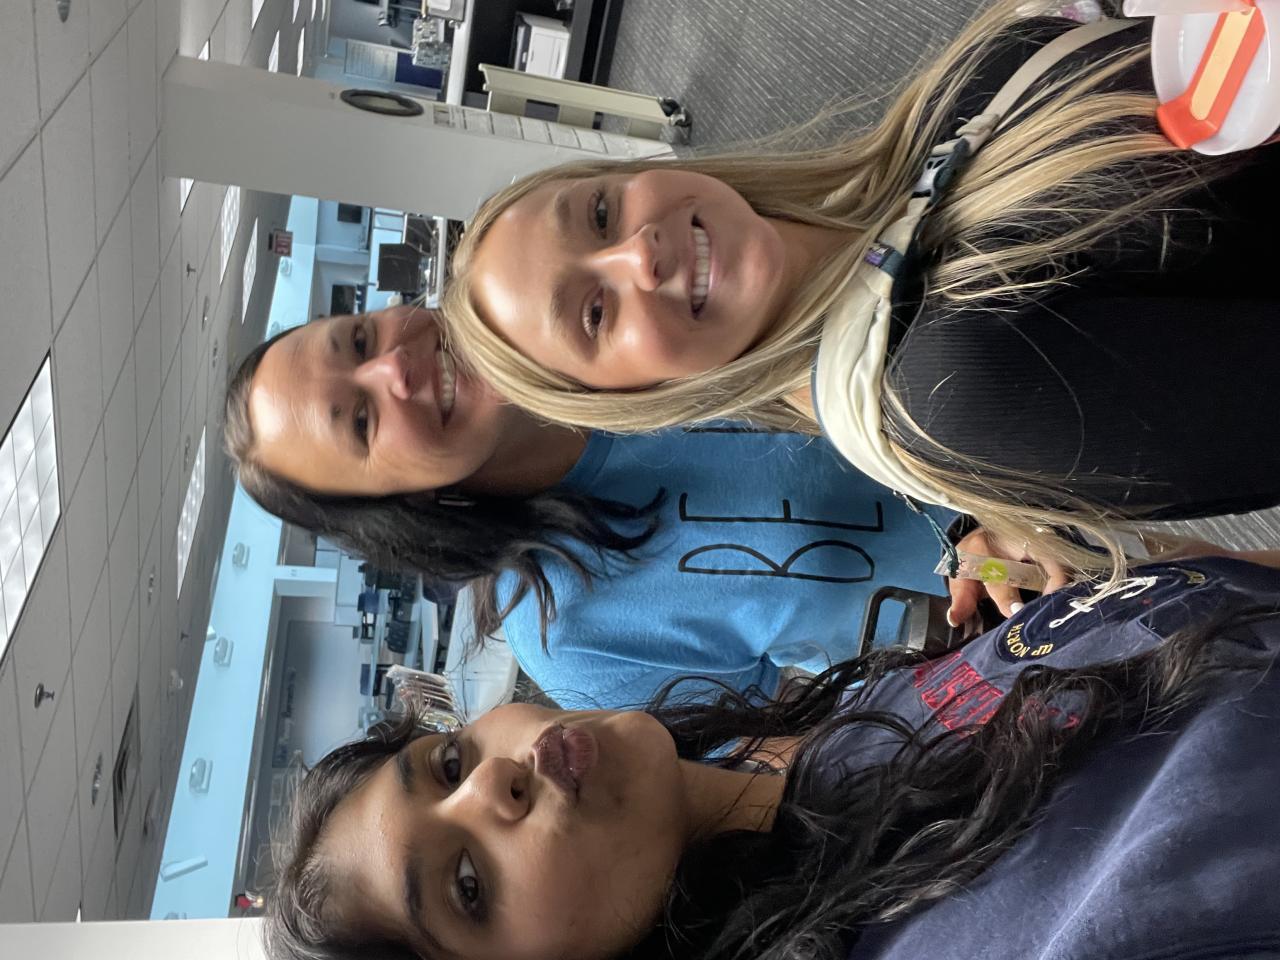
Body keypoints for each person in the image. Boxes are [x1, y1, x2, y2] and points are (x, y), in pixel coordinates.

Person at [440, 1, 1280, 580]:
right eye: (595, 313)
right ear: (640, 398)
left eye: (599, 213)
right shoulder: (950, 389)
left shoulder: (931, 128)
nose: (637, 254)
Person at [263, 546, 1280, 960]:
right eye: (468, 885)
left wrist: (1080, 604)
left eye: (447, 764)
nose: (492, 780)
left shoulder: (828, 753)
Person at [223, 304, 952, 706]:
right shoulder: (568, 630)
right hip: (1003, 601)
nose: (392, 366)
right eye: (361, 420)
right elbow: (803, 740)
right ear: (395, 504)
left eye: (359, 339)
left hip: (981, 368)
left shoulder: (597, 297)